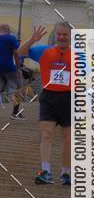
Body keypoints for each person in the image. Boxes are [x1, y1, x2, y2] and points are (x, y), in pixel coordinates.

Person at [18, 23, 72, 186]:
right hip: (49, 97)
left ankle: (66, 173)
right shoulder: (44, 51)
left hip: (70, 98)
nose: (62, 37)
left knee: (69, 138)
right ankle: (46, 172)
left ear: (71, 36)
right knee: (46, 134)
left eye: (65, 34)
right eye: (59, 34)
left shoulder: (78, 55)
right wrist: (32, 40)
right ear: (55, 35)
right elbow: (20, 52)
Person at [0, 24, 25, 119]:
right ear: (8, 30)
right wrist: (18, 68)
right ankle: (15, 113)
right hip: (9, 68)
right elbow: (16, 53)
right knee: (18, 87)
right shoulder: (11, 38)